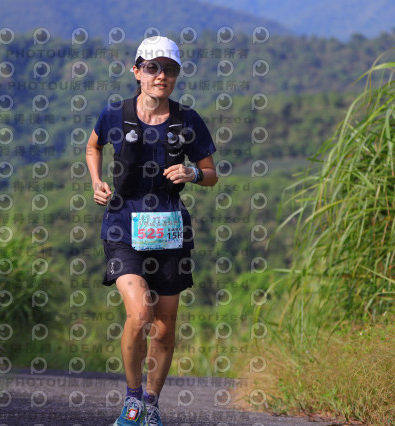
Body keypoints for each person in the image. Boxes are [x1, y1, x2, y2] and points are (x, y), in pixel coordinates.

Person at [86, 35, 218, 426]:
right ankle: (131, 401)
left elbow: (211, 173)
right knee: (140, 312)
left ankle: (151, 403)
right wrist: (96, 181)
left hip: (169, 230)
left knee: (163, 327)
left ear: (176, 75)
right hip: (122, 227)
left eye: (169, 69)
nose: (161, 76)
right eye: (153, 67)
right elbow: (93, 146)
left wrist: (193, 173)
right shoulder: (115, 114)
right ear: (137, 71)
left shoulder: (188, 120)